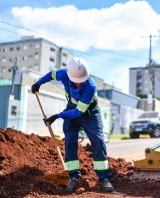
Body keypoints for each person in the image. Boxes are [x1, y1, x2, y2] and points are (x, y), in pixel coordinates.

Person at [31, 57, 114, 192]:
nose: (79, 85)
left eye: (82, 82)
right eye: (76, 82)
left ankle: (104, 177)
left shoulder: (90, 86)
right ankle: (74, 177)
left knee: (98, 141)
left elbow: (78, 112)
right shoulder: (64, 73)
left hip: (89, 113)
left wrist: (57, 116)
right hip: (71, 109)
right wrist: (39, 83)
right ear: (69, 77)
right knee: (69, 142)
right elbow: (51, 74)